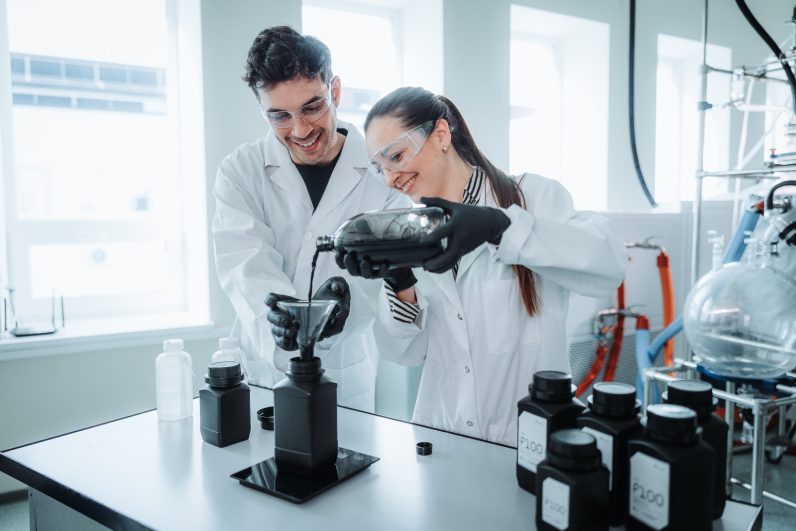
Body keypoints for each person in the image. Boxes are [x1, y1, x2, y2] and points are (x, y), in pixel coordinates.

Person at [338, 87, 627, 446]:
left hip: (527, 441)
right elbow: (405, 354)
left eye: (396, 156)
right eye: (380, 168)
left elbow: (609, 264)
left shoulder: (532, 197)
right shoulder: (413, 232)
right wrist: (399, 280)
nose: (390, 178)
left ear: (441, 134)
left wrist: (500, 227)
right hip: (442, 440)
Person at [212, 27, 407, 411]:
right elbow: (244, 265)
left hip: (345, 372)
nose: (300, 130)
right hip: (263, 371)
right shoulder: (241, 171)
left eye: (312, 107)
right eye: (279, 115)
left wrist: (350, 302)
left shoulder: (383, 171)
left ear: (335, 91)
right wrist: (281, 313)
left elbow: (395, 271)